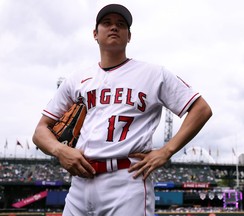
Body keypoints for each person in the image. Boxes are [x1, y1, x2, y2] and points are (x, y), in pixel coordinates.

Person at [32, 3, 212, 216]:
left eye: (121, 24)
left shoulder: (153, 74)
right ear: (95, 34)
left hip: (127, 180)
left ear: (129, 36)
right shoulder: (77, 79)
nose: (114, 27)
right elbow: (40, 131)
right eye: (107, 23)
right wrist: (60, 150)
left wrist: (166, 151)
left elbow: (201, 109)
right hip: (80, 182)